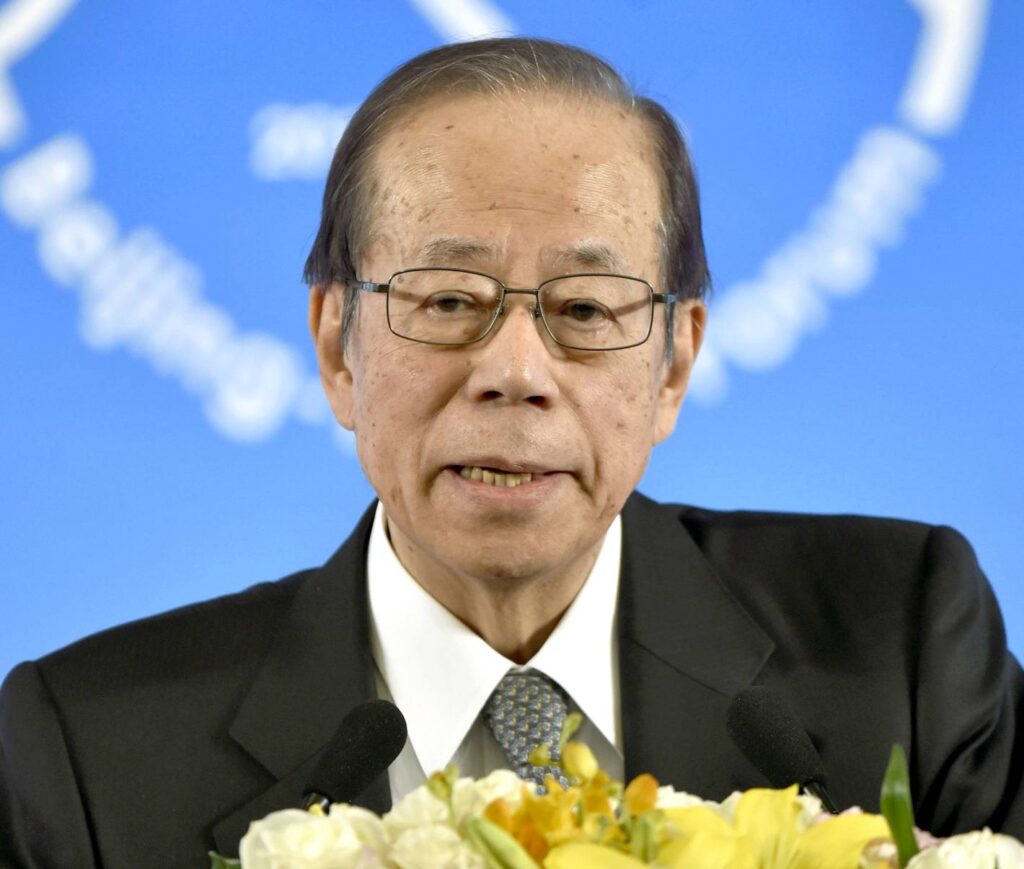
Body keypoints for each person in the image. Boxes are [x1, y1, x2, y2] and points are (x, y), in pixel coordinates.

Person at [1, 37, 1021, 867]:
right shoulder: (87, 753)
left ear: (674, 364)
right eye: (449, 300)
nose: (516, 370)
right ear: (337, 346)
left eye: (585, 308)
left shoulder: (901, 647)